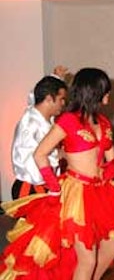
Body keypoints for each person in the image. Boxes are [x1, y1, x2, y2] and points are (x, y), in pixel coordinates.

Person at [0, 68, 114, 280]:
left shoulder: (104, 122)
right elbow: (39, 154)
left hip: (101, 193)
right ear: (93, 92)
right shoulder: (67, 121)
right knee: (86, 256)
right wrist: (53, 187)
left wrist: (113, 166)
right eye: (105, 91)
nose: (109, 96)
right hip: (75, 194)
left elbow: (113, 158)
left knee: (110, 249)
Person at [11, 67, 68, 199]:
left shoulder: (40, 114)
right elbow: (33, 161)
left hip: (45, 184)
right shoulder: (30, 125)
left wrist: (56, 78)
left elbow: (33, 96)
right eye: (61, 99)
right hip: (32, 187)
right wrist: (52, 185)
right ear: (49, 99)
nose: (63, 104)